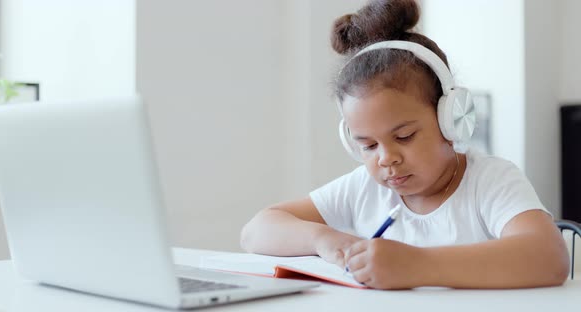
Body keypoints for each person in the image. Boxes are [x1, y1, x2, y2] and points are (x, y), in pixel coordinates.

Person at [240, 0, 569, 289]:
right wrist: (325, 240)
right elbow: (255, 231)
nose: (386, 159)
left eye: (404, 136)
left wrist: (417, 265)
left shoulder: (491, 181)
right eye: (367, 145)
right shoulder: (363, 189)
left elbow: (549, 257)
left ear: (450, 119)